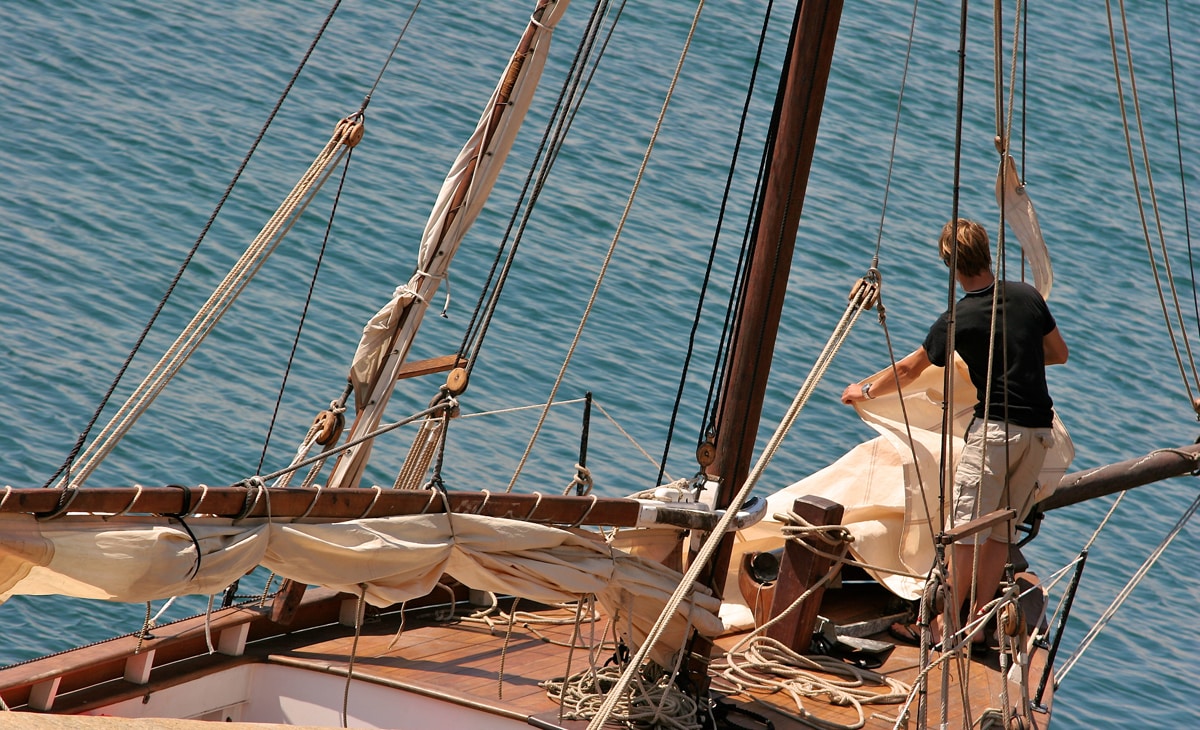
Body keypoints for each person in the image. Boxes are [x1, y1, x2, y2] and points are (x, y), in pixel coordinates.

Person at [840, 218, 1068, 649]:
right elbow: (1058, 354)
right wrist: (1014, 353)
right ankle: (978, 623)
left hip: (996, 436)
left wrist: (863, 390)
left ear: (951, 265)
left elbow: (910, 369)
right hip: (1038, 434)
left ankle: (945, 626)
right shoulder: (1027, 297)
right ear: (987, 251)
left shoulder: (960, 318)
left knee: (965, 533)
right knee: (1001, 531)